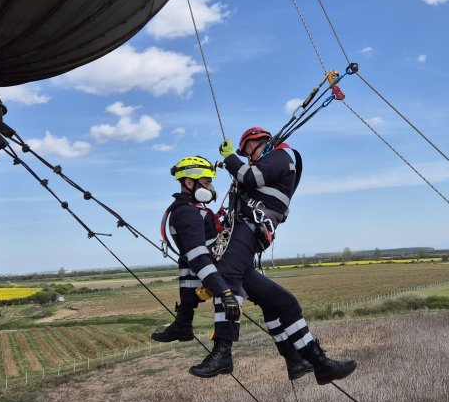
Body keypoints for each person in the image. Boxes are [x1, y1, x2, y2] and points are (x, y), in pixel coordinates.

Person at [188, 127, 358, 385]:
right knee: (252, 288)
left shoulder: (281, 155)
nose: (248, 158)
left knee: (278, 300)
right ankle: (291, 360)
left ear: (260, 142)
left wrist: (231, 157)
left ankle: (315, 363)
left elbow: (250, 177)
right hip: (244, 230)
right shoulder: (270, 160)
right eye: (244, 155)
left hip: (249, 227)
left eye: (248, 152)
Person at [151, 156, 241, 343]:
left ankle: (183, 324)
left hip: (218, 266)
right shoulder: (187, 212)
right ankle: (216, 346)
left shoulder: (191, 209)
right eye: (207, 182)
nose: (211, 188)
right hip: (226, 270)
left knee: (187, 265)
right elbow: (199, 257)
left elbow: (191, 259)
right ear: (190, 183)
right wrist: (224, 292)